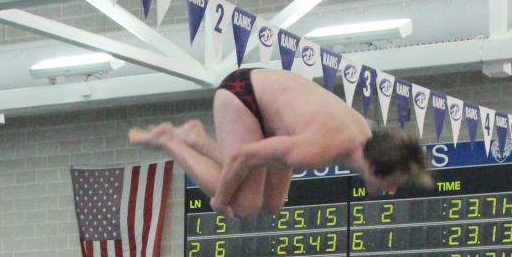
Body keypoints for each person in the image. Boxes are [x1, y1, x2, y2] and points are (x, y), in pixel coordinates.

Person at [128, 67, 431, 219]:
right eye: (393, 182)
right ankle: (173, 141)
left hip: (276, 114)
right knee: (244, 204)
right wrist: (220, 199)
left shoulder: (366, 134)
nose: (392, 190)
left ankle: (196, 138)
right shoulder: (316, 151)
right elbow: (243, 157)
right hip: (242, 96)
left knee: (273, 205)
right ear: (375, 168)